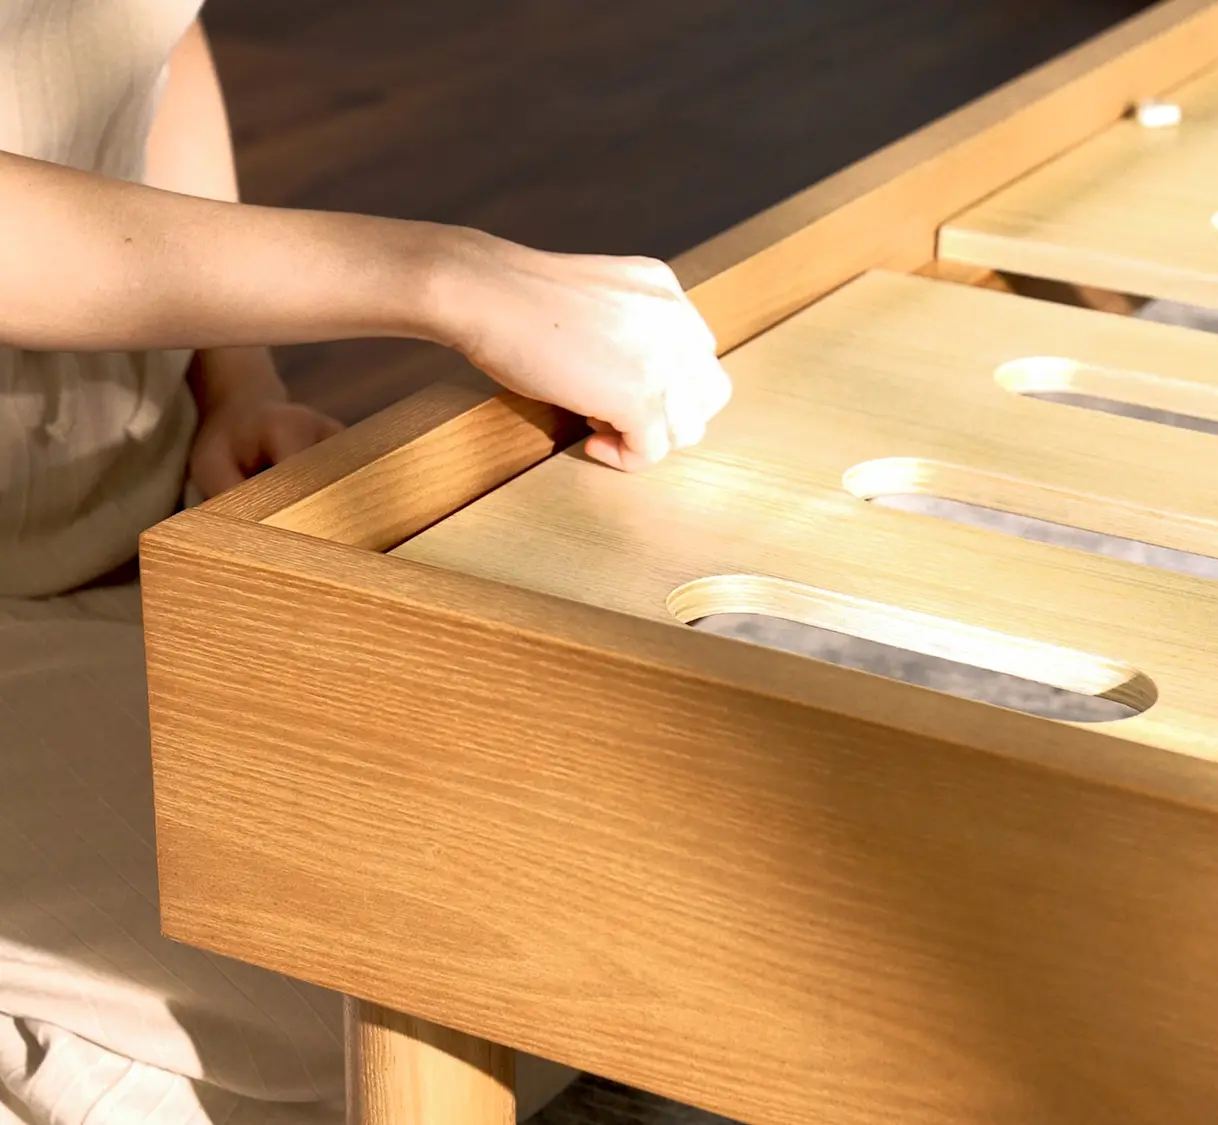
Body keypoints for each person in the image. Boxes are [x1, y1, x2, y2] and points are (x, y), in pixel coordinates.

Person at [0, 3, 732, 1124]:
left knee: (580, 932)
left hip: (120, 536)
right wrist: (449, 274)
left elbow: (154, 42)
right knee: (376, 1021)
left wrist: (236, 376)